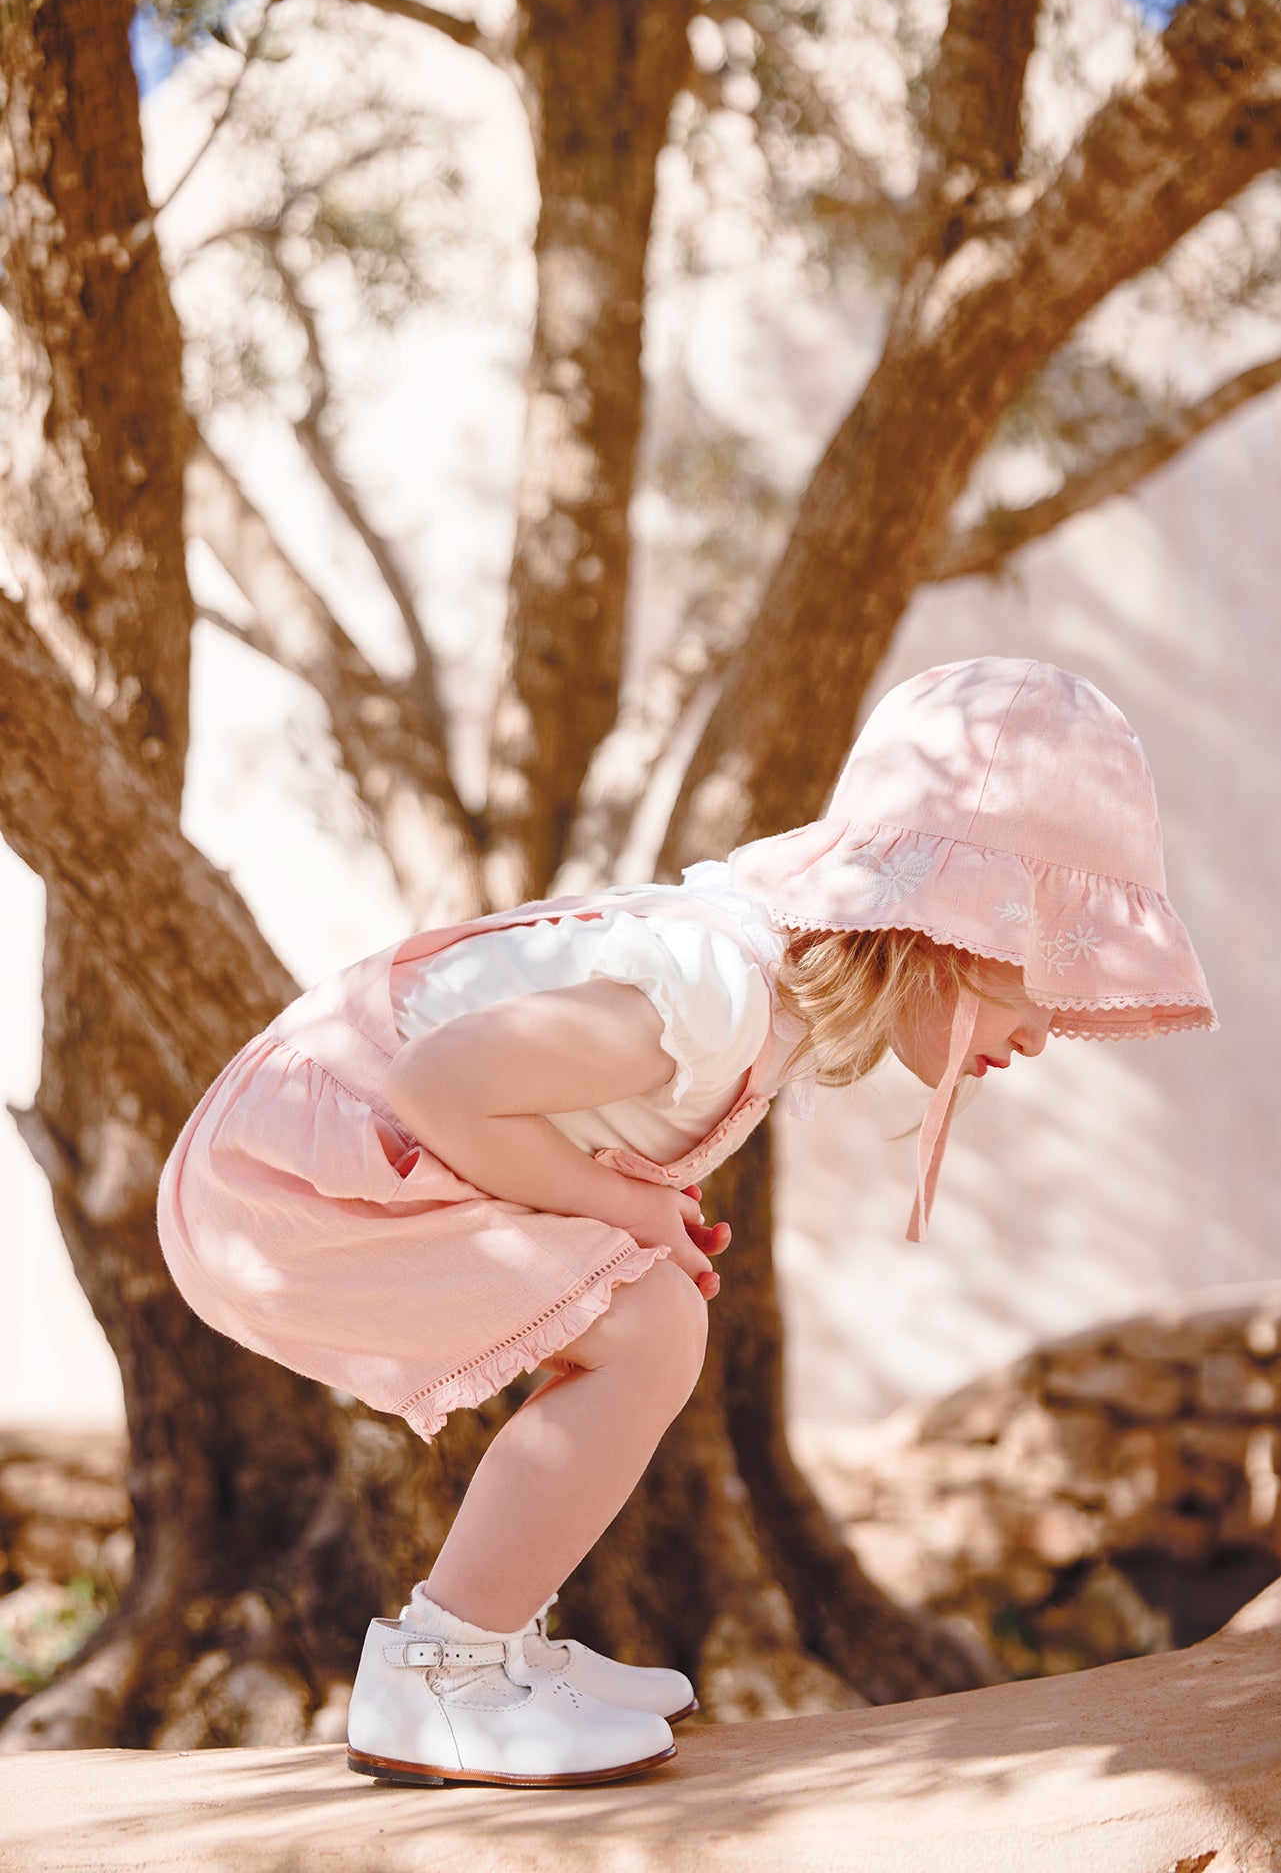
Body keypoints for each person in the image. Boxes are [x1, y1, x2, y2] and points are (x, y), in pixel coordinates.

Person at [156, 656, 1215, 1789]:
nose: (1046, 1032)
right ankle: (444, 1674)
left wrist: (629, 1200)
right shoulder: (721, 990)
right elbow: (436, 1087)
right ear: (945, 930)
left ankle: (494, 1645)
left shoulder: (762, 996)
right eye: (1040, 979)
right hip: (282, 1182)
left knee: (646, 1316)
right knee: (652, 1327)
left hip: (326, 1159)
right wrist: (622, 1204)